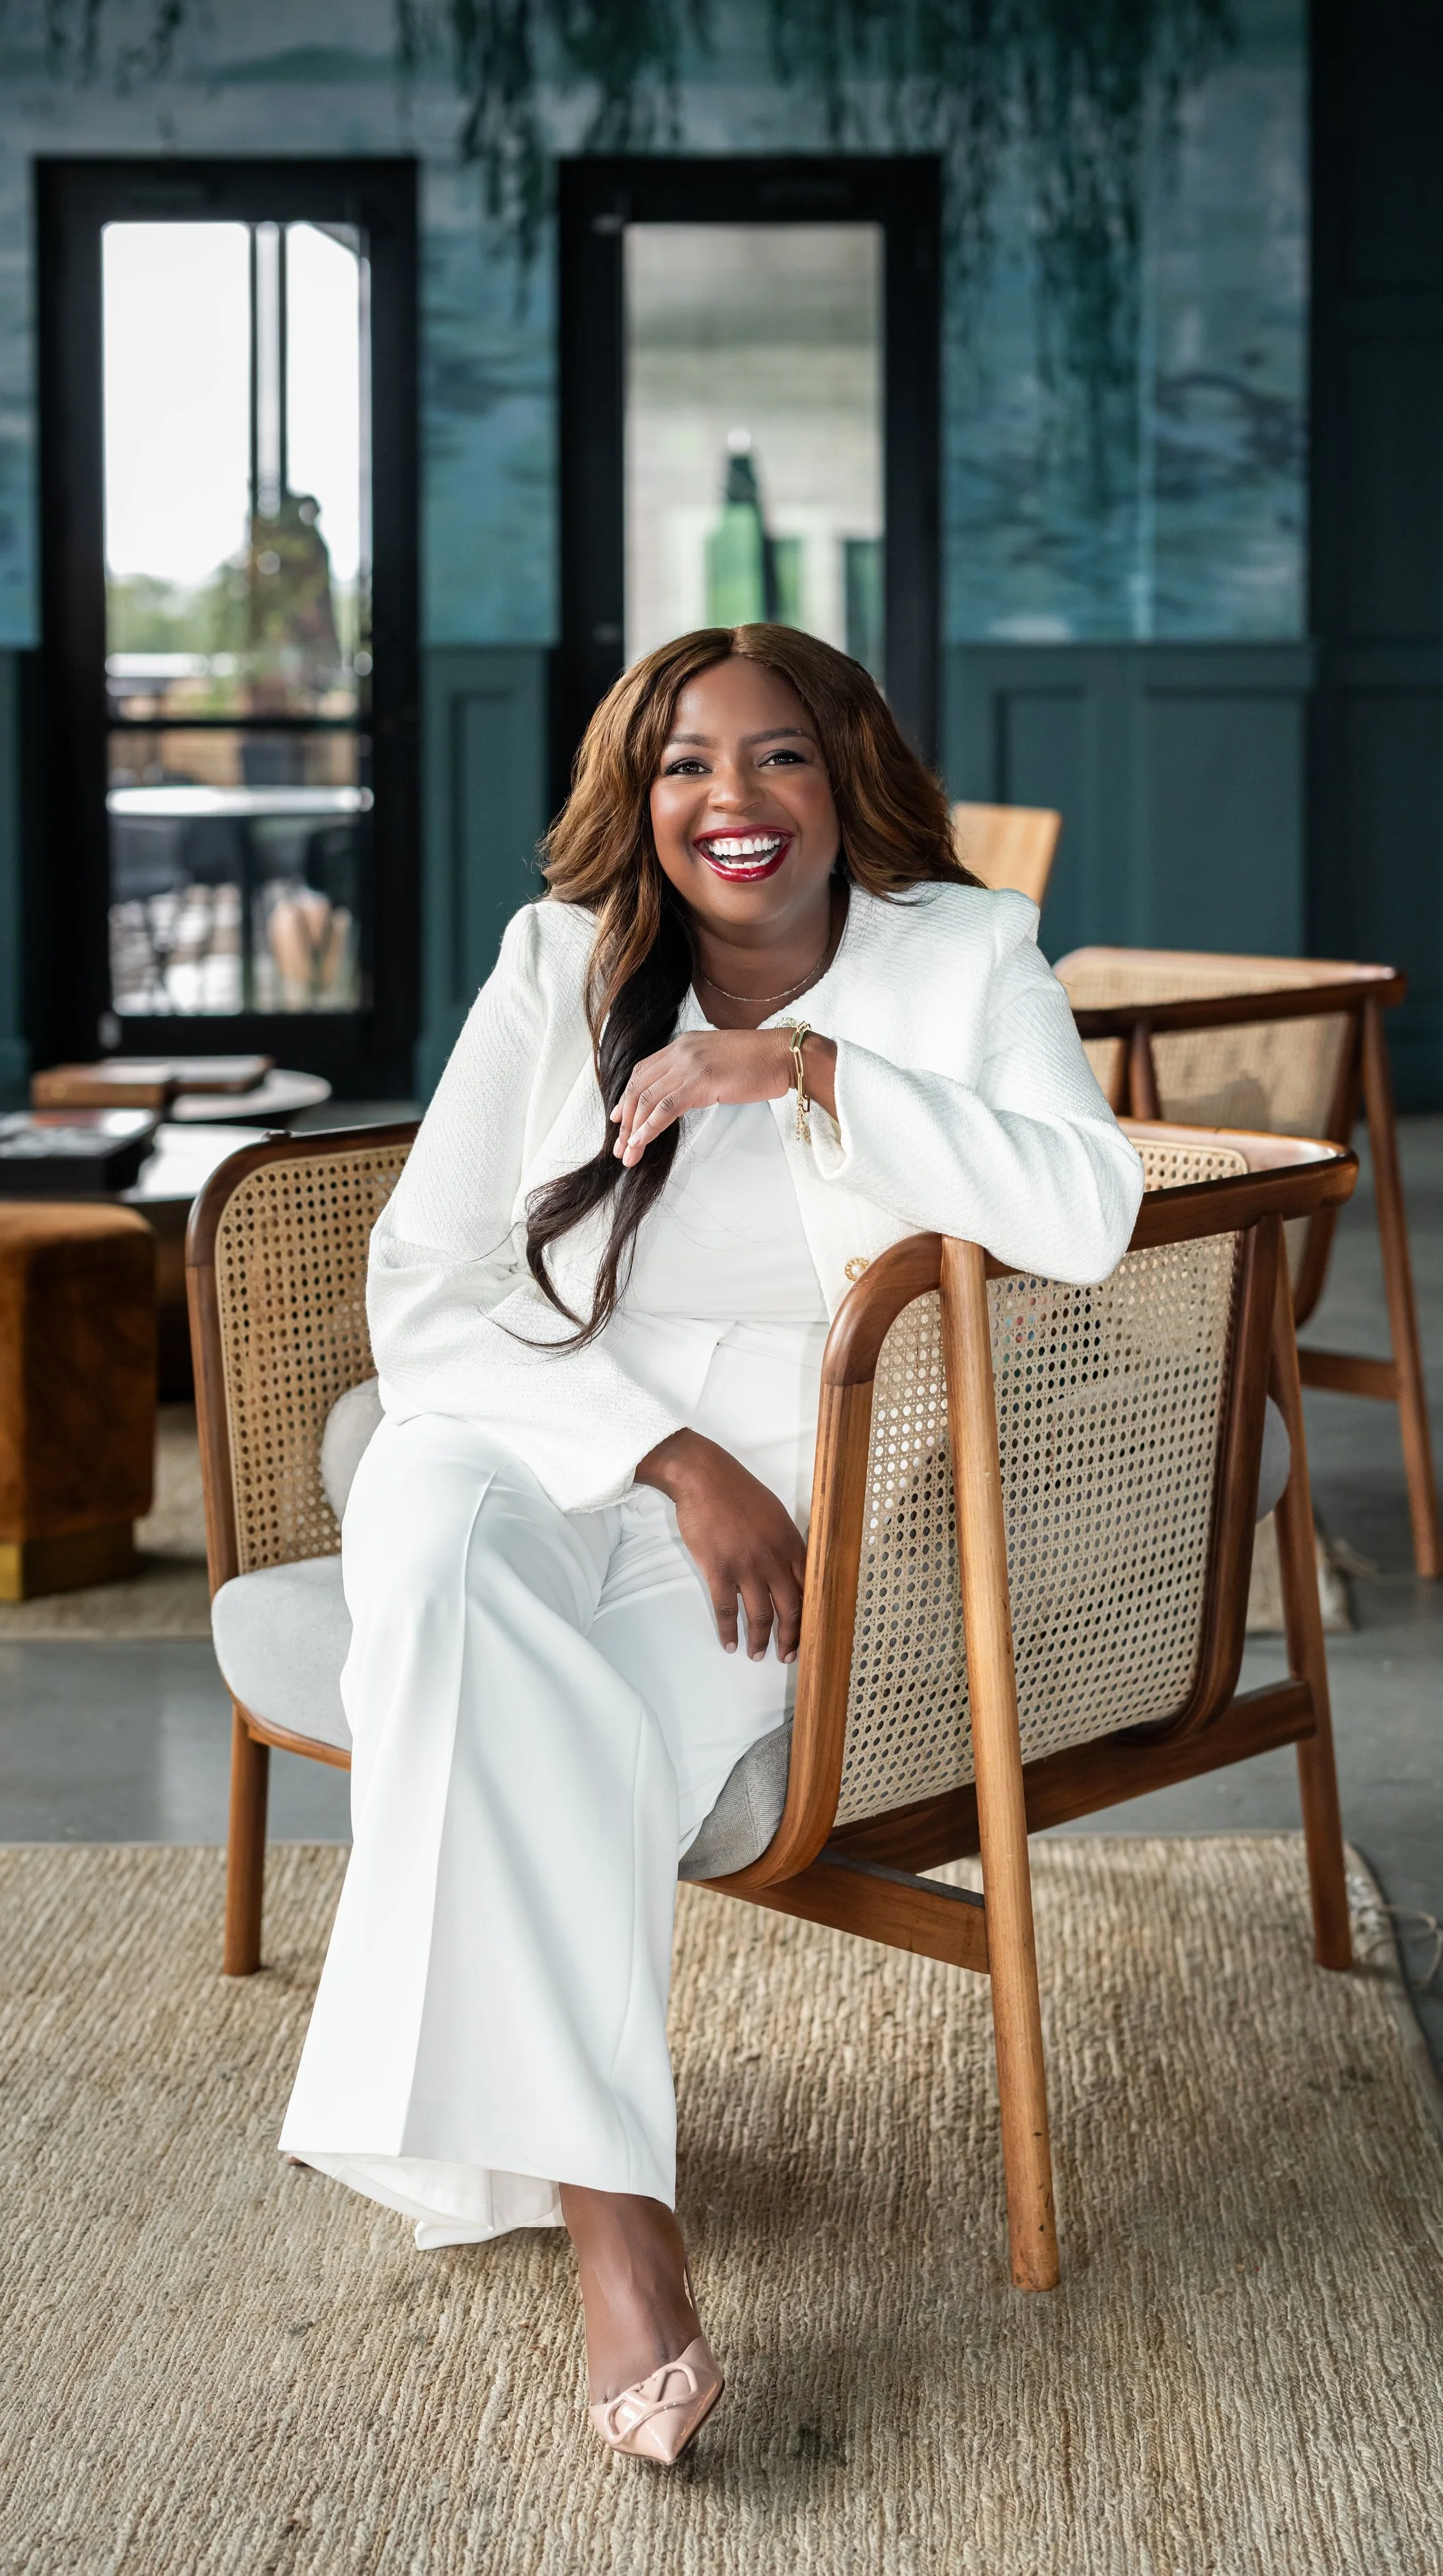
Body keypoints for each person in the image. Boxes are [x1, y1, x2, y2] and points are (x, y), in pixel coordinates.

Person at [278, 624, 1144, 2462]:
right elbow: (430, 1280)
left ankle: (578, 2177)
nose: (725, 801)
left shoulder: (966, 959)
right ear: (634, 792)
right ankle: (623, 2224)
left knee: (545, 1724)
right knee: (428, 1556)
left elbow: (1087, 1207)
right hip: (527, 1419)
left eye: (773, 759)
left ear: (846, 777)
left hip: (812, 1456)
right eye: (681, 762)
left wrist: (810, 1070)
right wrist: (663, 1454)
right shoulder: (555, 960)